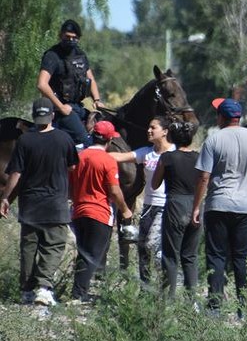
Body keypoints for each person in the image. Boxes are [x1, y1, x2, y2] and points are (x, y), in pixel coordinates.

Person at [192, 98, 247, 317]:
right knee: (242, 257)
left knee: (217, 256)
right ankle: (244, 307)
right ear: (238, 118)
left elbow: (203, 177)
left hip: (218, 205)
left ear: (221, 117)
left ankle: (215, 306)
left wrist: (196, 206)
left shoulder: (213, 139)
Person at [0, 97, 79, 306]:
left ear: (35, 117)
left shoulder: (25, 141)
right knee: (53, 245)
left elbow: (15, 174)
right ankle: (44, 288)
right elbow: (72, 168)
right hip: (56, 203)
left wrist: (5, 198)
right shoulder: (64, 139)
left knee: (29, 247)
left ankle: (26, 291)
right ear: (52, 115)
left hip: (30, 204)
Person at [69, 121, 133, 302]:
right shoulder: (108, 160)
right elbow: (114, 190)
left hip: (79, 210)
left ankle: (78, 292)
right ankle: (79, 295)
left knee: (83, 253)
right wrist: (126, 210)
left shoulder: (79, 156)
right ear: (109, 140)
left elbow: (71, 184)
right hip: (100, 212)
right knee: (93, 255)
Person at [110, 116, 175, 283]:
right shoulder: (146, 153)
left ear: (165, 132)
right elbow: (121, 157)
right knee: (142, 247)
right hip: (148, 207)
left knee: (151, 244)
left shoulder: (174, 152)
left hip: (165, 206)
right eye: (148, 127)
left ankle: (167, 281)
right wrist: (96, 151)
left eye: (153, 128)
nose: (149, 130)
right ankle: (145, 287)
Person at [152, 121, 202, 300]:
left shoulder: (167, 158)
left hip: (175, 204)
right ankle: (192, 301)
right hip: (195, 206)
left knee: (171, 256)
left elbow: (154, 183)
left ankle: (168, 298)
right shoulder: (199, 158)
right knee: (190, 256)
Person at [37, 19, 105, 147]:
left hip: (77, 107)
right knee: (87, 142)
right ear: (60, 35)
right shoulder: (52, 56)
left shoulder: (80, 55)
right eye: (67, 36)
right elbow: (42, 84)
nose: (71, 40)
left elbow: (91, 79)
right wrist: (61, 107)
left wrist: (97, 100)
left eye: (74, 37)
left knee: (103, 130)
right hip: (58, 110)